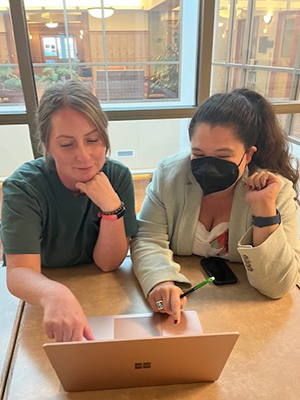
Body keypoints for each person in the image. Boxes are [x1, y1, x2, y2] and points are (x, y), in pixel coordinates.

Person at [131, 88, 300, 324]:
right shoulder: (170, 176)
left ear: (248, 155)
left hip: (244, 319)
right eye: (198, 154)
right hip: (187, 313)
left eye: (222, 157)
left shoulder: (276, 192)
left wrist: (264, 214)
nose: (209, 166)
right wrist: (160, 280)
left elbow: (278, 286)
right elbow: (147, 237)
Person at [1, 80, 137, 342]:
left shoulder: (117, 177)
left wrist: (111, 208)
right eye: (67, 144)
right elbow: (18, 272)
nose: (84, 156)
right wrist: (56, 293)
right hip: (43, 295)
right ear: (47, 145)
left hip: (101, 293)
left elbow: (109, 263)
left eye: (93, 140)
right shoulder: (23, 187)